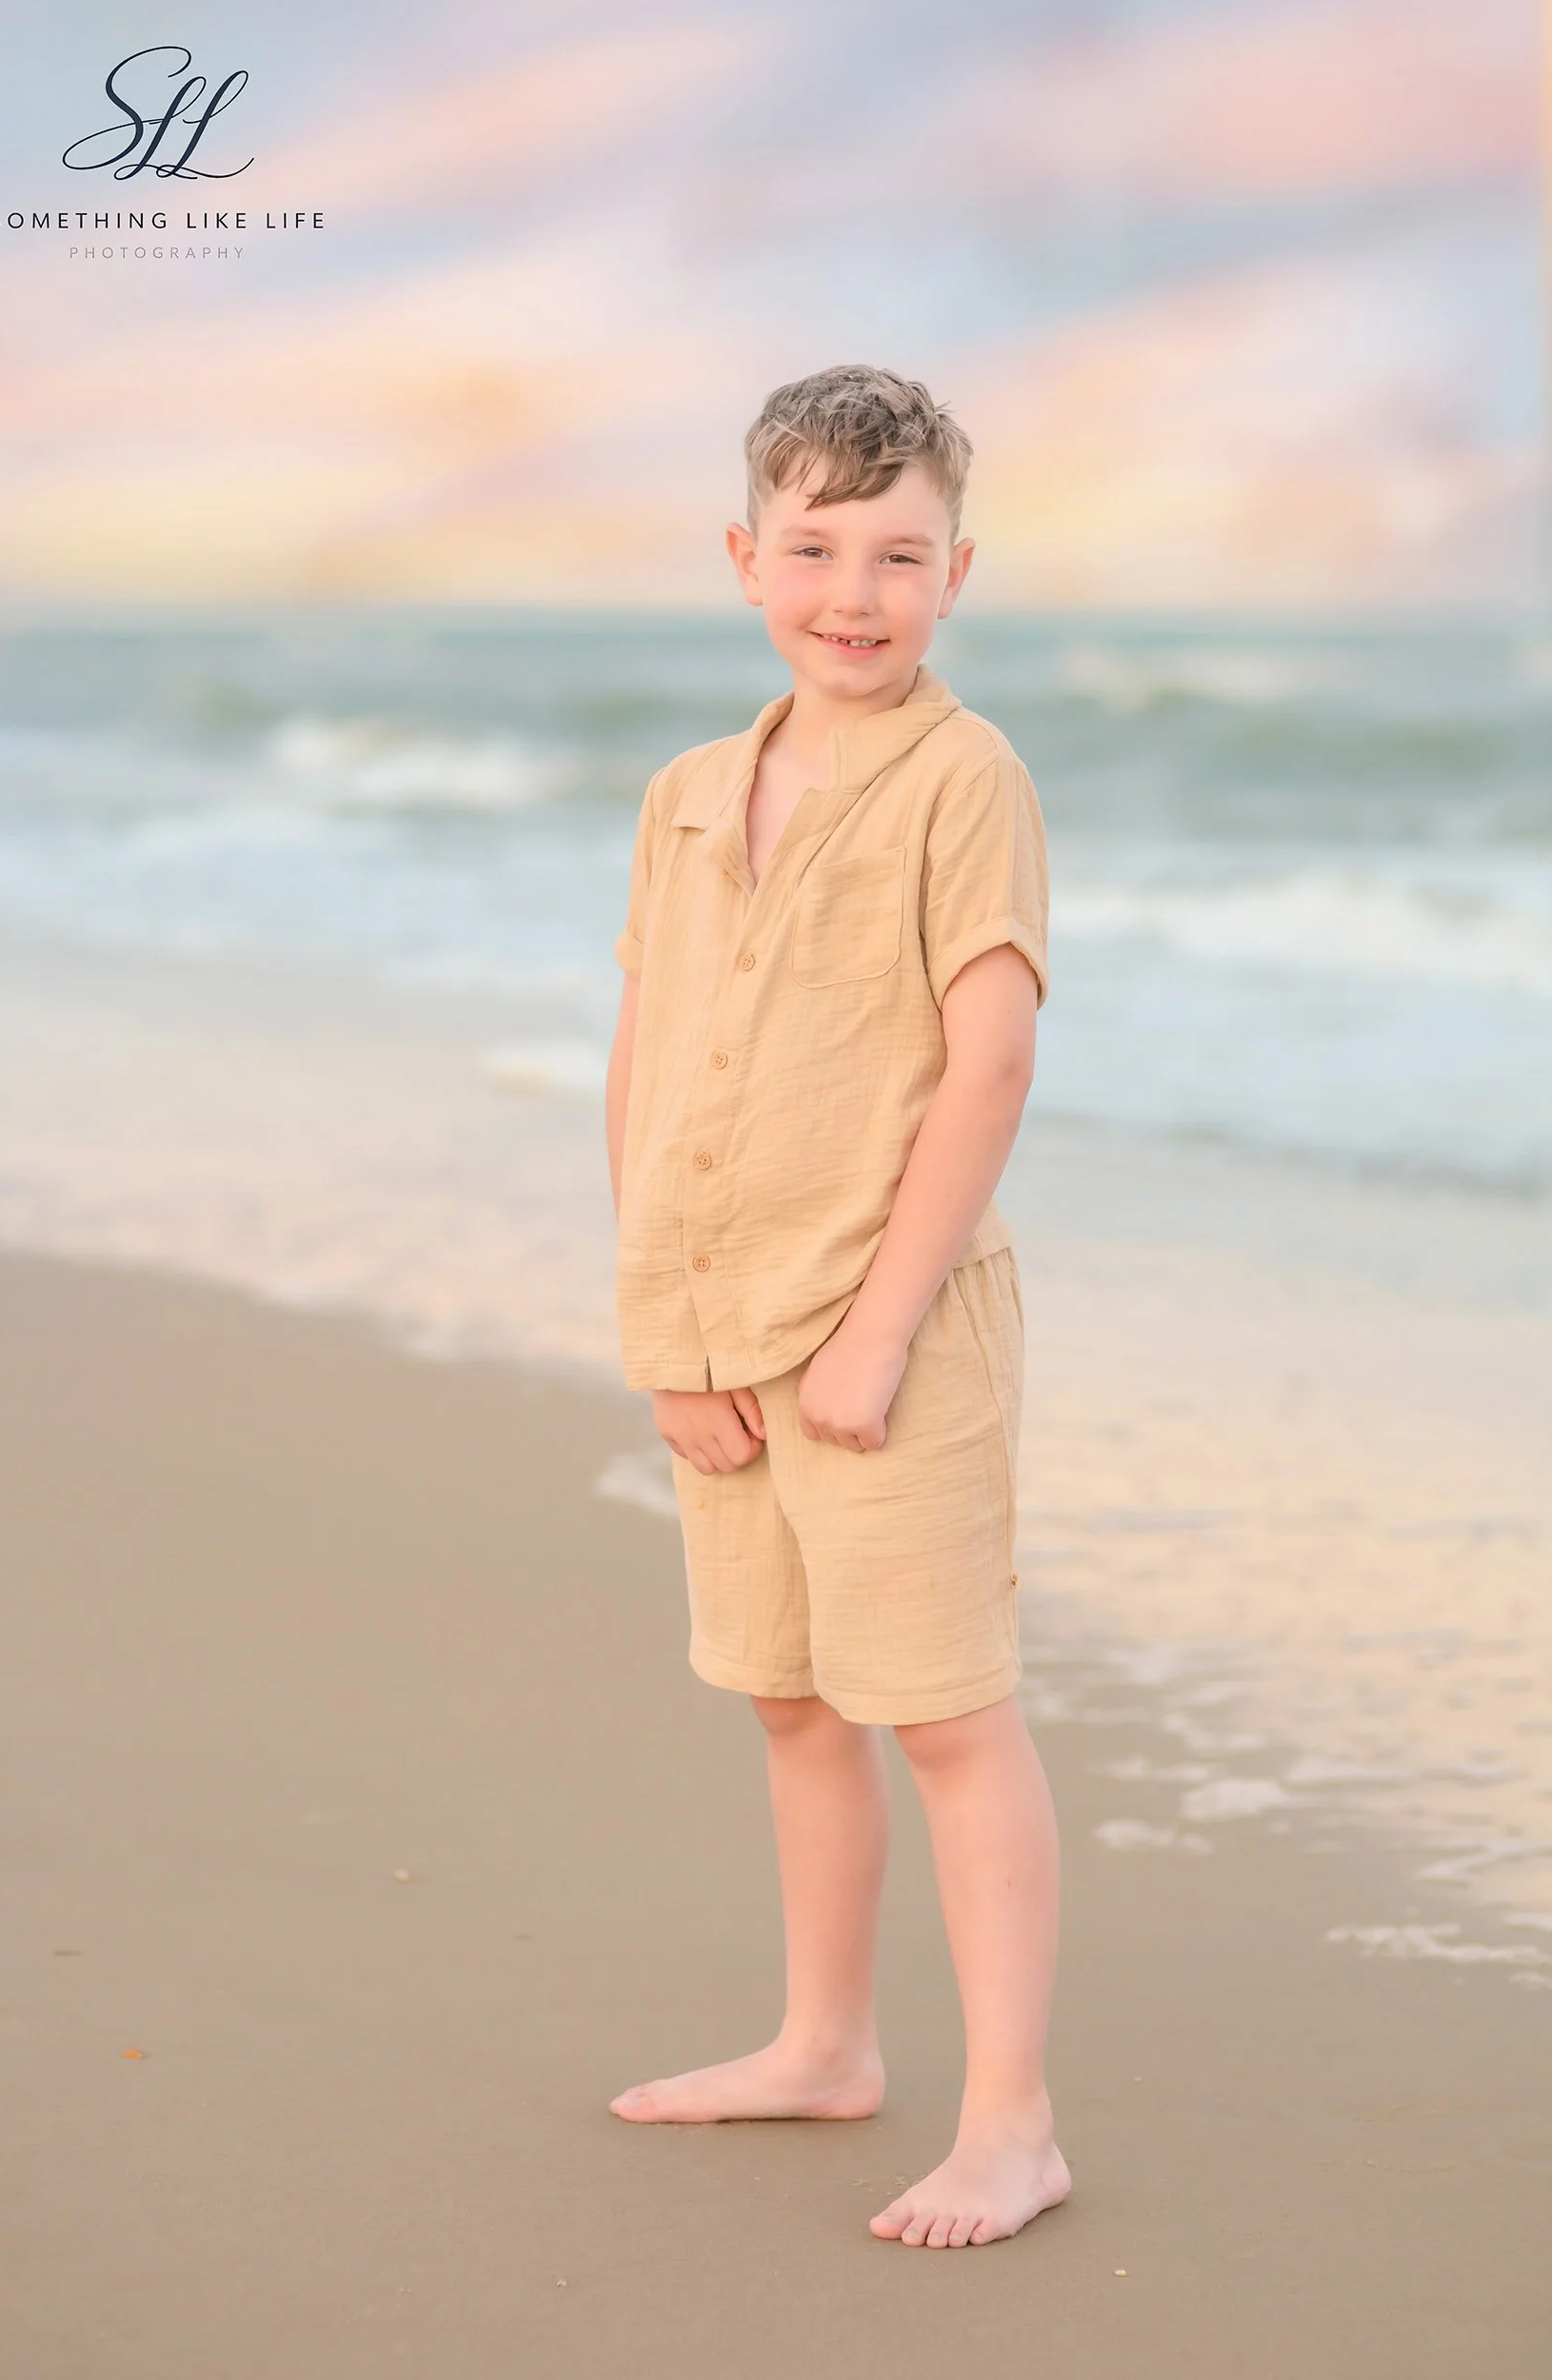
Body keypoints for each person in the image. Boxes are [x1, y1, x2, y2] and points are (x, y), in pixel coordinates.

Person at [602, 363, 1069, 2251]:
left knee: (944, 1711)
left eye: (900, 552)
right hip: (721, 1334)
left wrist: (870, 1334)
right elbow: (649, 1059)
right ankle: (823, 2039)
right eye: (815, 546)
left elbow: (992, 1067)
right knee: (793, 1700)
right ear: (746, 557)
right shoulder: (693, 794)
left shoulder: (970, 777)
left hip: (891, 1338)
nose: (854, 589)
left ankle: (1014, 2119)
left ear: (961, 570)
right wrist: (668, 1335)